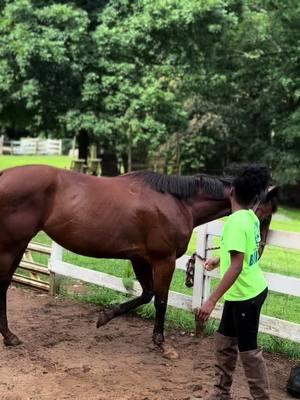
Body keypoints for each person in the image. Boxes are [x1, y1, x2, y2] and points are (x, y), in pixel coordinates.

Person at [198, 164, 271, 400]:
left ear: (231, 192)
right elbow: (245, 251)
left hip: (245, 295)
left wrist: (210, 301)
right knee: (224, 340)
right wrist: (220, 259)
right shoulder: (249, 217)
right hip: (245, 292)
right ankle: (220, 393)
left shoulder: (235, 222)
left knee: (249, 351)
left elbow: (238, 265)